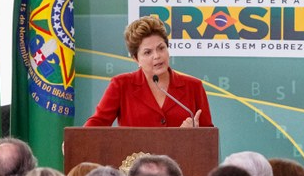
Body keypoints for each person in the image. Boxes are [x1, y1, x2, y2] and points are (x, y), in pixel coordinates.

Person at [84, 16, 213, 128]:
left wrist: (196, 134)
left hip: (181, 157)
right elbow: (98, 122)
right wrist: (77, 140)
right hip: (136, 156)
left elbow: (209, 138)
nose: (157, 56)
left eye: (161, 48)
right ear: (136, 59)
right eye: (148, 52)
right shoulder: (121, 85)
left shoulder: (194, 87)